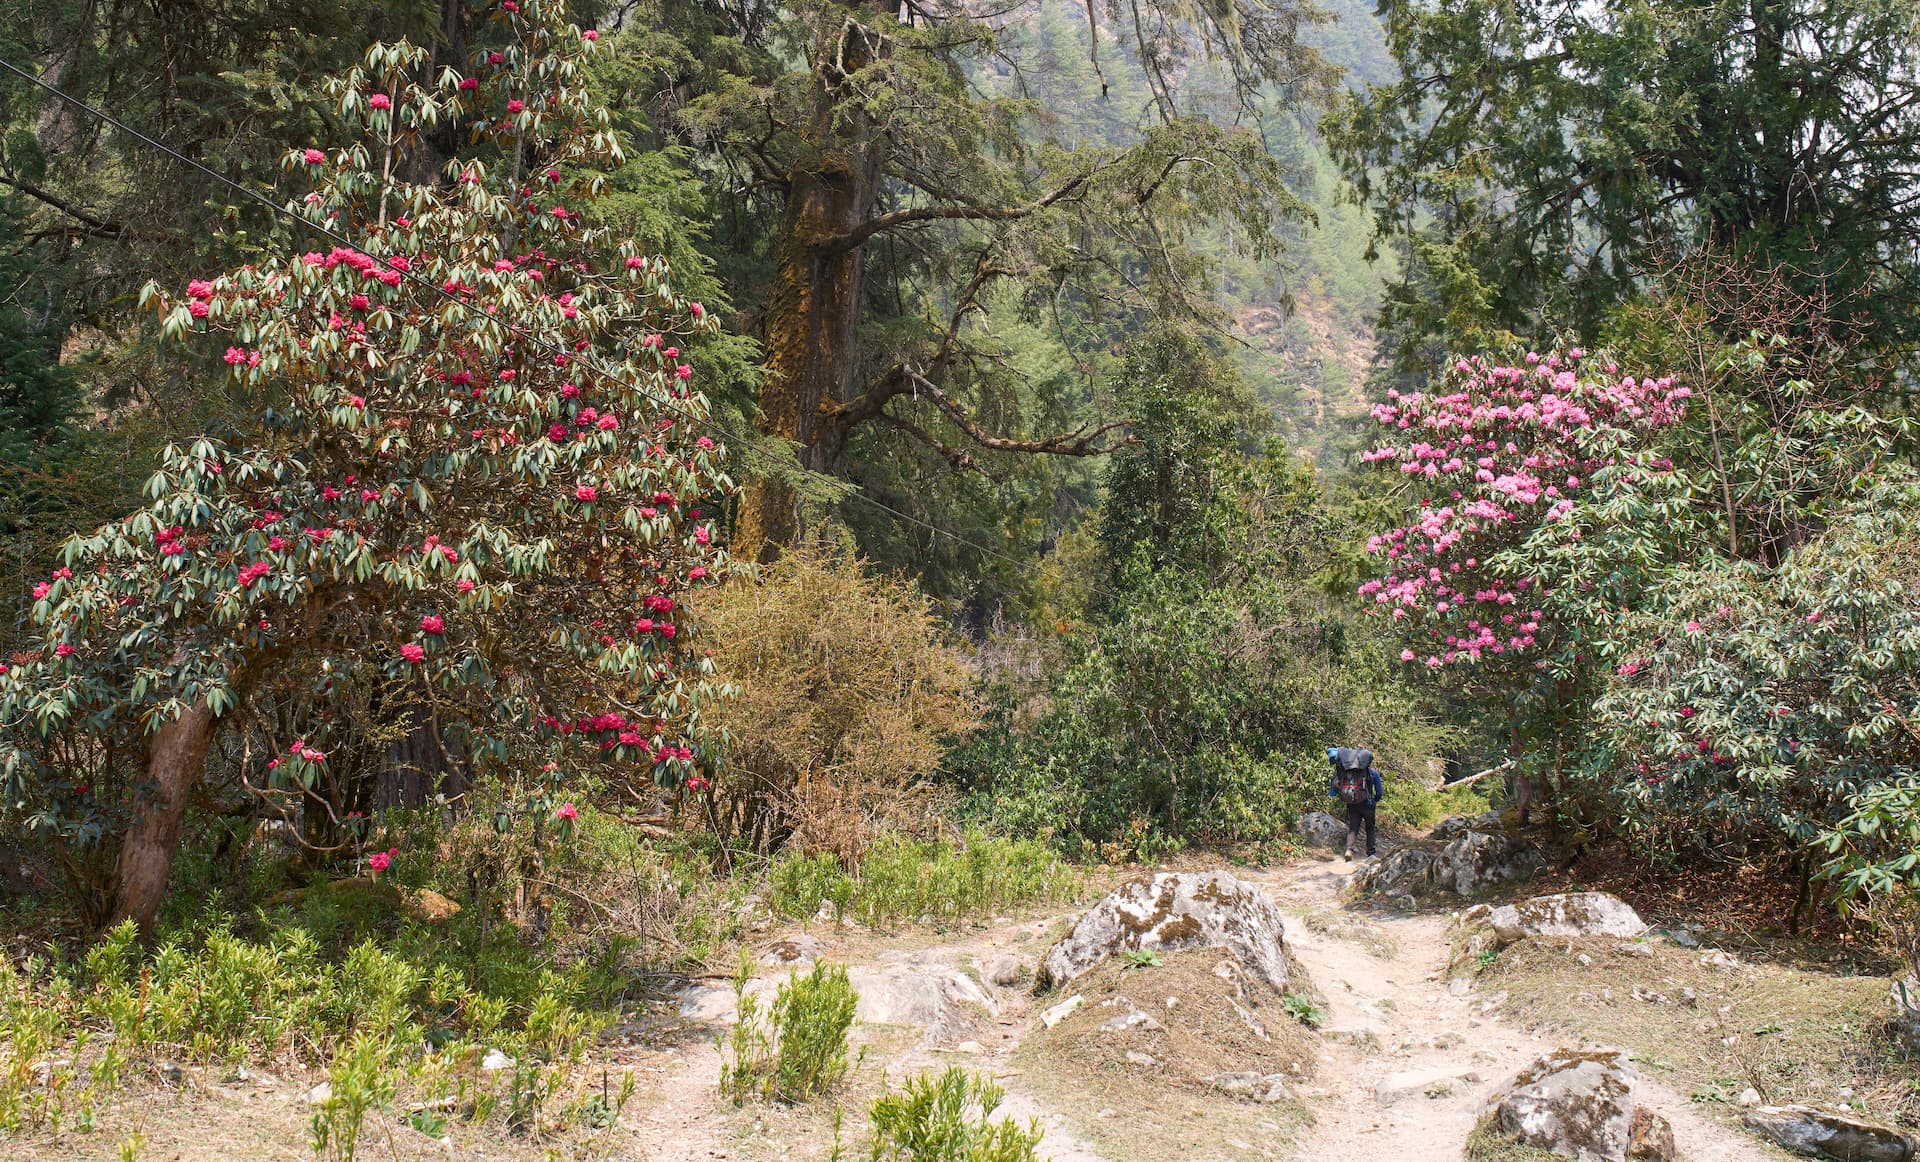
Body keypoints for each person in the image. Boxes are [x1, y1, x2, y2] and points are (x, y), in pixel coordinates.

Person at [1326, 746, 1384, 859]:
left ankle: (1349, 850)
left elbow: (1334, 789)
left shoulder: (1346, 772)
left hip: (1353, 804)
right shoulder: (1373, 773)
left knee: (1353, 828)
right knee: (1370, 828)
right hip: (1368, 805)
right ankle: (1370, 853)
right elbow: (1379, 793)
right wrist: (1374, 800)